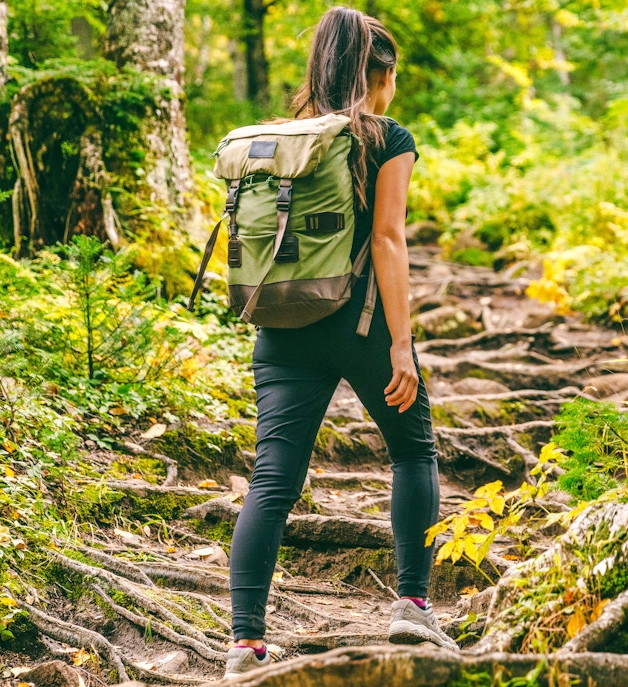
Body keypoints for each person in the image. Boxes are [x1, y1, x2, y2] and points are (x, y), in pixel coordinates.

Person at [222, 7, 458, 678]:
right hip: (361, 327)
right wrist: (401, 344)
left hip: (282, 326)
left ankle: (245, 643)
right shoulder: (386, 136)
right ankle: (412, 603)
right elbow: (387, 238)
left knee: (272, 478)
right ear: (379, 74)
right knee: (413, 450)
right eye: (394, 77)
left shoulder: (281, 138)